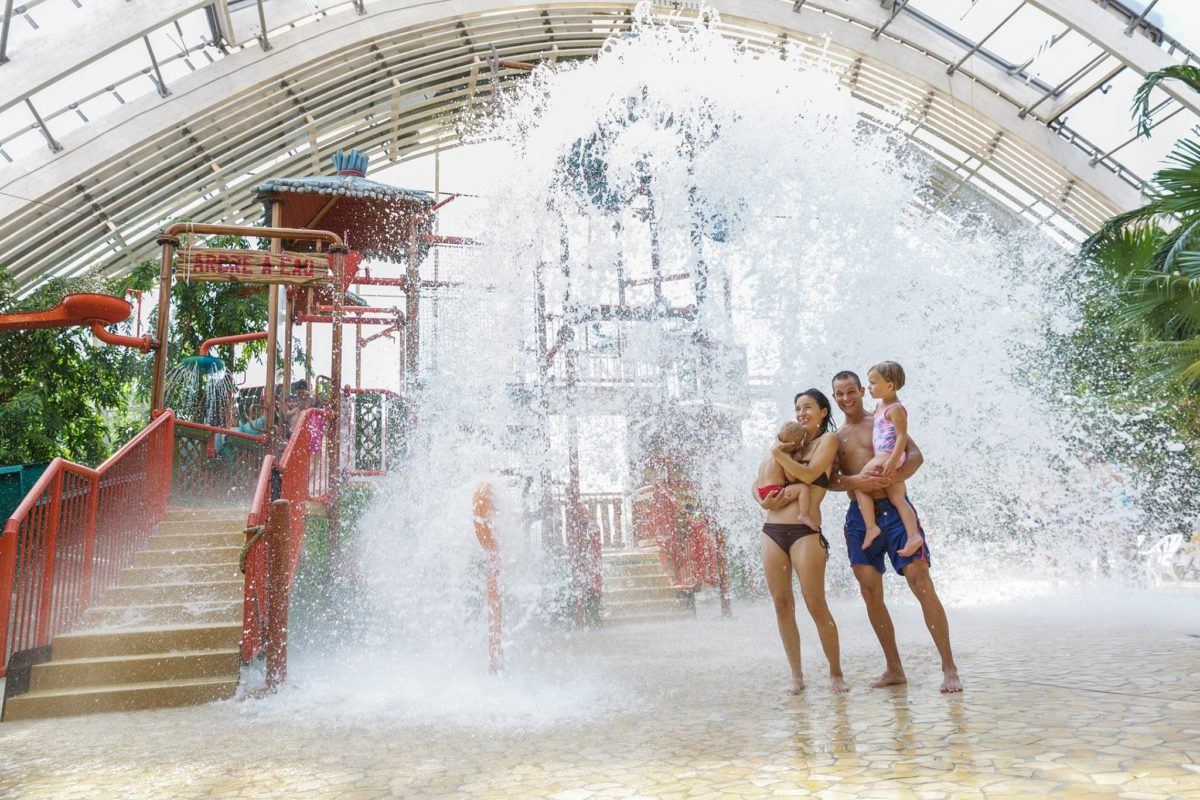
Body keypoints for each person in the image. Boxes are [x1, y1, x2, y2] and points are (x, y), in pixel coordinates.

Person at [828, 369, 961, 693]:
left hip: (895, 511)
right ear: (834, 398)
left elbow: (915, 455)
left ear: (862, 390)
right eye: (839, 394)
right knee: (871, 592)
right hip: (861, 516)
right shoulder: (835, 438)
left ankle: (949, 667)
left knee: (921, 582)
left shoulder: (882, 418)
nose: (846, 399)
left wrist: (896, 473)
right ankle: (894, 668)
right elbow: (829, 480)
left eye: (851, 391)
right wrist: (855, 482)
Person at [753, 389, 848, 695]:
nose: (801, 413)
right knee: (782, 605)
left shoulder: (828, 441)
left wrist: (779, 454)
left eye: (808, 407)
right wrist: (763, 501)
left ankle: (835, 673)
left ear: (823, 411)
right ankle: (797, 676)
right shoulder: (786, 443)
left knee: (815, 604)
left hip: (805, 534)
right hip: (773, 531)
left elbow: (808, 476)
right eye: (797, 408)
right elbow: (757, 485)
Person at [855, 361, 923, 557]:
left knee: (860, 483)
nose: (869, 387)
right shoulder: (880, 406)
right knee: (897, 497)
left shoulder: (896, 408)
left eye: (873, 383)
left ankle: (871, 527)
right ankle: (913, 536)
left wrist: (893, 460)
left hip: (887, 455)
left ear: (890, 386)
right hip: (885, 456)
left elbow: (901, 436)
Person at [755, 420, 819, 529]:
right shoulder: (784, 454)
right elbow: (791, 477)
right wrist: (795, 460)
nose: (801, 445)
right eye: (800, 442)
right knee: (803, 489)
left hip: (762, 491)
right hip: (774, 492)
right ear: (793, 444)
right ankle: (803, 515)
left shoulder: (769, 453)